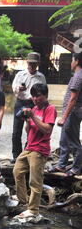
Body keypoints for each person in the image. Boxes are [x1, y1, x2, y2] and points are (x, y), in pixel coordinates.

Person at [13, 83, 57, 218]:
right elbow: (28, 130)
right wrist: (27, 119)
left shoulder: (50, 109)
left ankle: (33, 210)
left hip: (40, 150)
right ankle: (23, 200)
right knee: (17, 171)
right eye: (33, 96)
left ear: (45, 95)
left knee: (35, 180)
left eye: (38, 96)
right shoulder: (35, 109)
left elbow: (47, 129)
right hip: (29, 147)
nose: (35, 99)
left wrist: (32, 116)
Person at [49, 52, 82, 177]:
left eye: (72, 60)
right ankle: (61, 165)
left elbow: (73, 98)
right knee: (64, 139)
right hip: (70, 113)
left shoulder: (78, 76)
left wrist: (64, 117)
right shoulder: (77, 75)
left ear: (77, 61)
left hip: (72, 113)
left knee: (73, 141)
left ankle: (77, 167)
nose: (71, 62)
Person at [11, 52, 46, 162]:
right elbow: (13, 87)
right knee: (16, 131)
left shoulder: (41, 77)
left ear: (38, 64)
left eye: (34, 63)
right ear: (27, 62)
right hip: (20, 102)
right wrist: (18, 89)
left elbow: (43, 90)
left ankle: (27, 153)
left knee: (31, 130)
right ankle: (16, 155)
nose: (32, 65)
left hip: (33, 105)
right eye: (30, 63)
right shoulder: (20, 74)